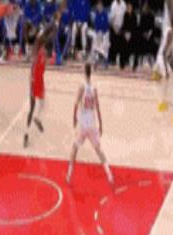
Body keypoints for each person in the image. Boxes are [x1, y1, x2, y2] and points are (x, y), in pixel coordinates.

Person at [66, 63, 114, 185]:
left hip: (83, 124)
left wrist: (74, 118)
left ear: (84, 71)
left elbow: (76, 104)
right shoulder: (94, 89)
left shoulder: (82, 87)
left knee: (74, 148)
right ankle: (109, 174)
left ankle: (69, 175)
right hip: (92, 124)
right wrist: (101, 124)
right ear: (90, 73)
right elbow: (98, 107)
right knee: (98, 150)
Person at [24, 17, 59, 148]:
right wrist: (53, 23)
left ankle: (26, 133)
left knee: (36, 106)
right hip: (35, 78)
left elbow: (49, 35)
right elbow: (46, 34)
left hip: (36, 78)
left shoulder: (41, 48)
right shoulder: (37, 45)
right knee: (41, 104)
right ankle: (37, 119)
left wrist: (53, 27)